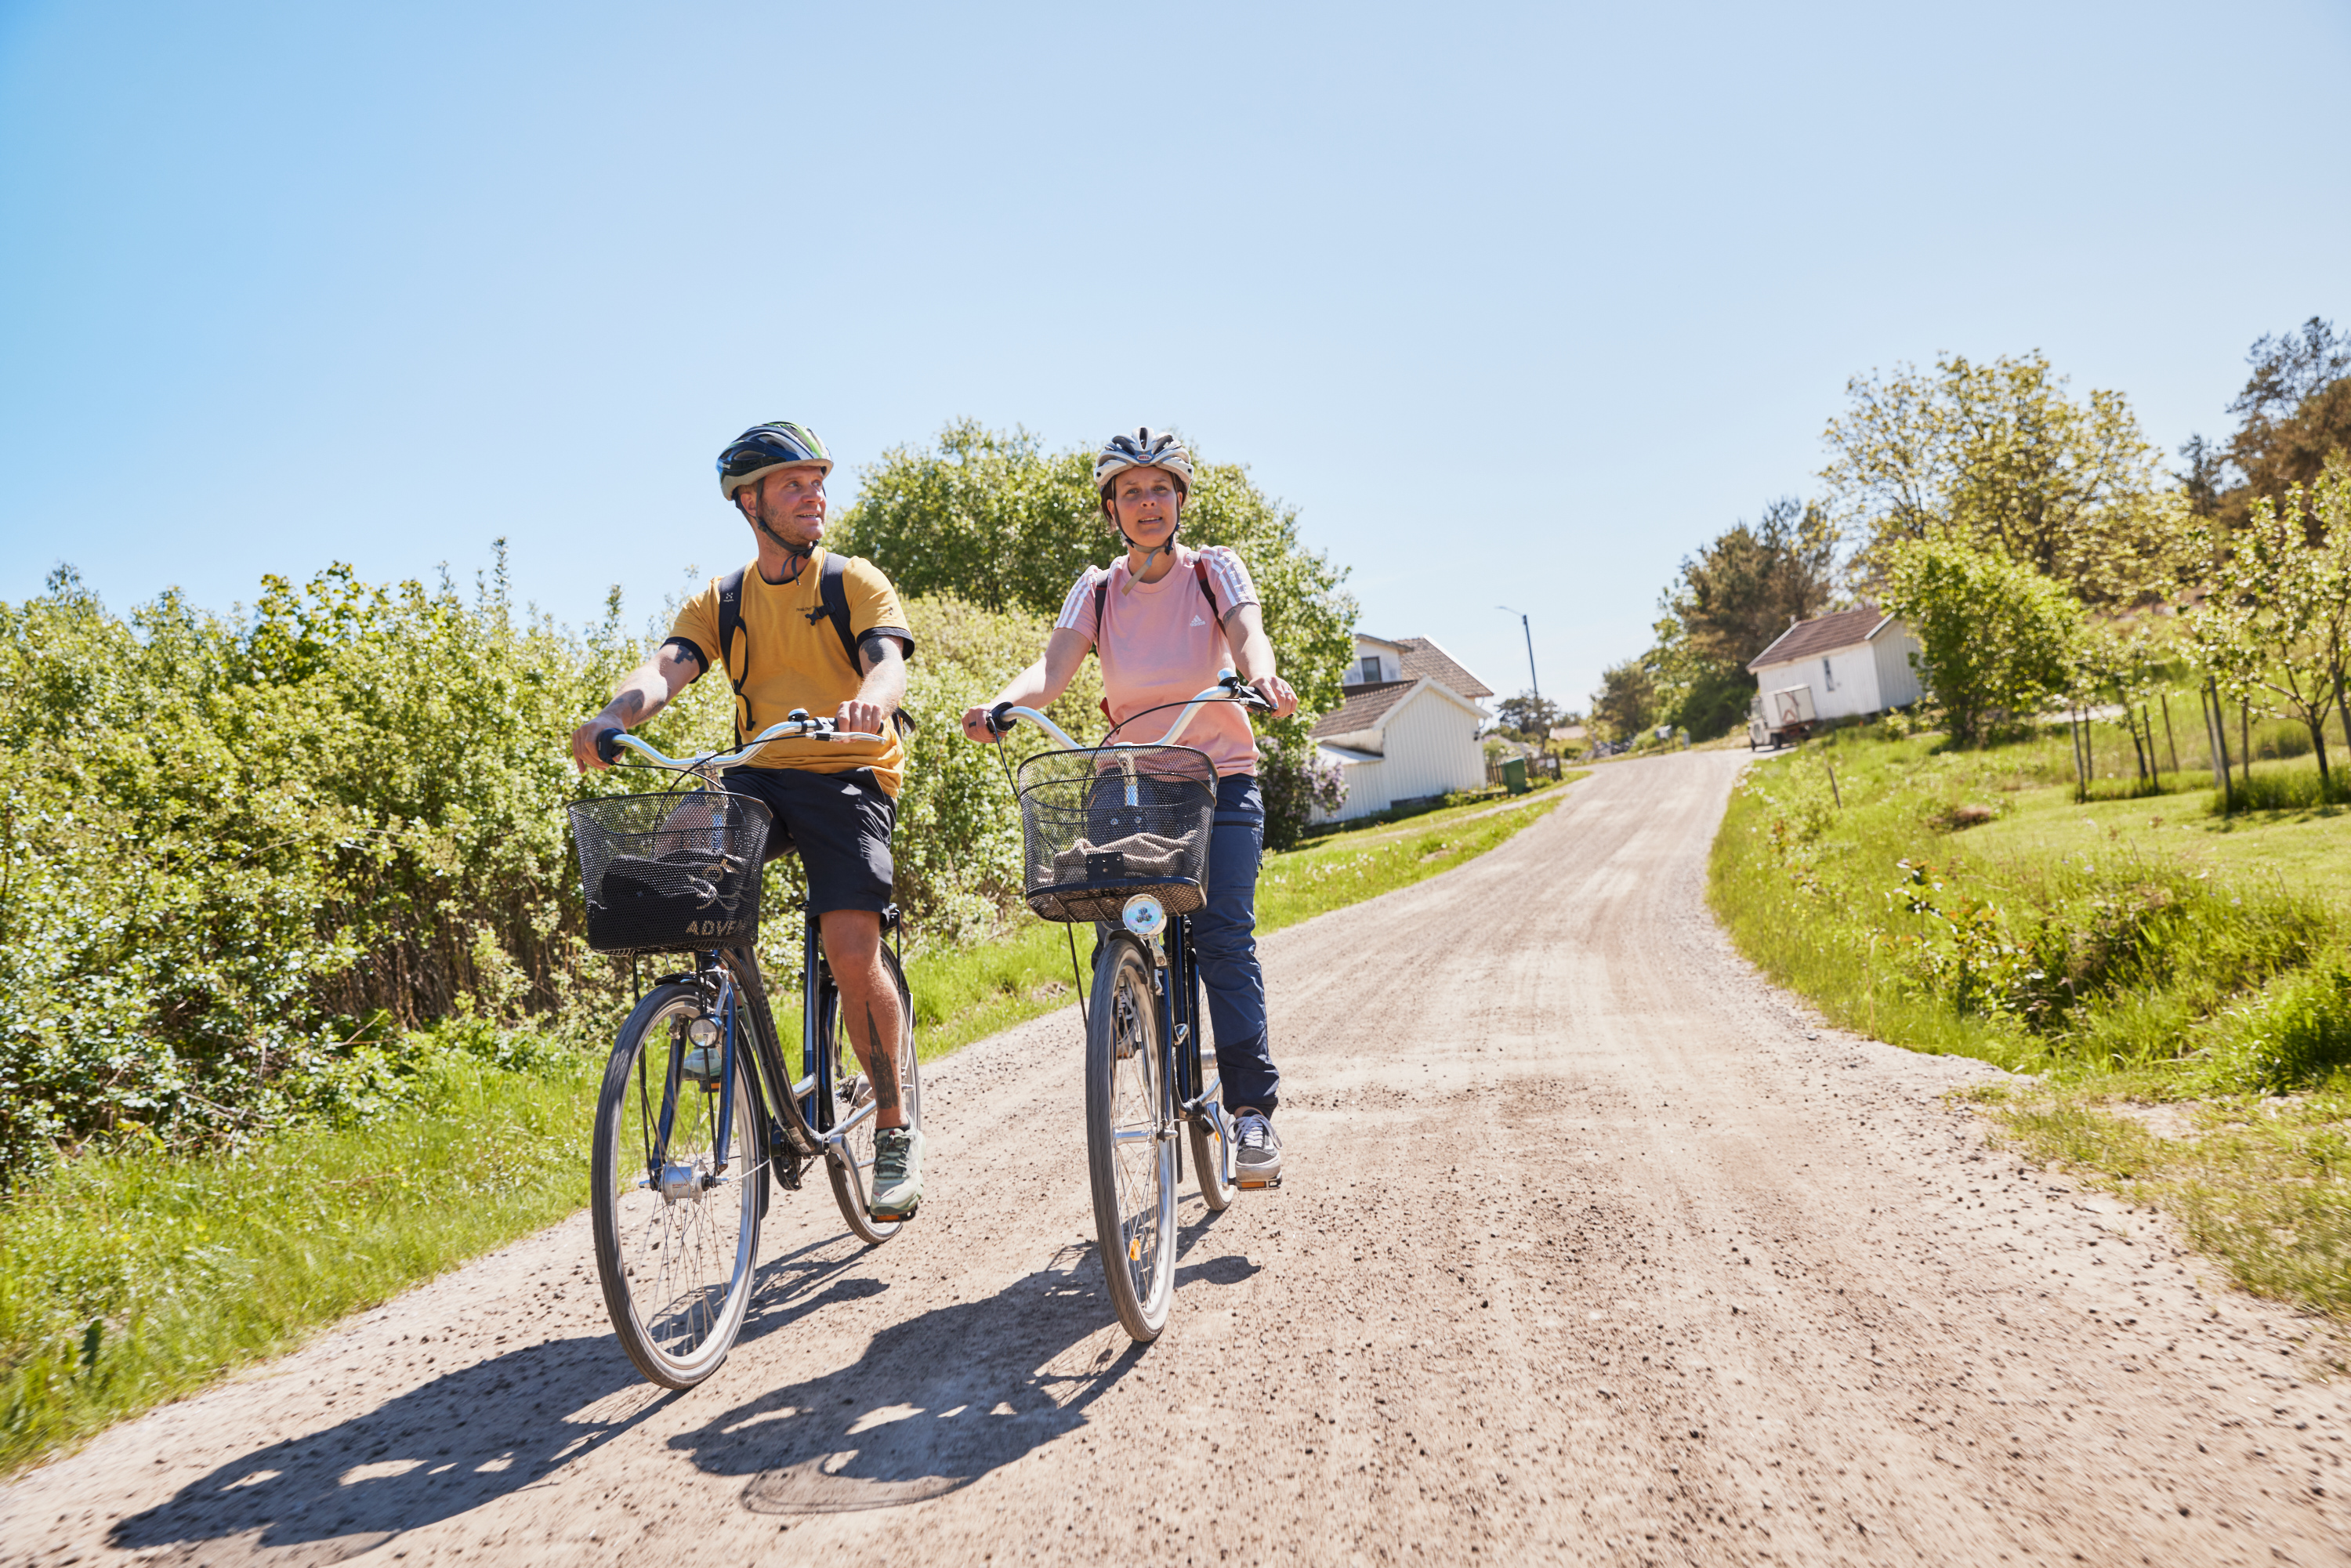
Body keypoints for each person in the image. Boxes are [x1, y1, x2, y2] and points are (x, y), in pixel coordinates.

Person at [570, 421, 926, 1219]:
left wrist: (874, 702)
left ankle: (896, 1129)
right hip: (764, 769)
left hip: (847, 772)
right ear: (748, 501)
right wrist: (612, 718)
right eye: (794, 484)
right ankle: (714, 1016)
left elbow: (889, 660)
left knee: (848, 949)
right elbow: (667, 669)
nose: (814, 496)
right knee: (681, 839)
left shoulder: (851, 580)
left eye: (817, 482)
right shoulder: (724, 600)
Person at [961, 428, 1299, 1185]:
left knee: (1220, 937)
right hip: (1132, 777)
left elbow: (1251, 640)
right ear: (1112, 508)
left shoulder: (1214, 571)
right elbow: (1049, 673)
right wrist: (1000, 703)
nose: (1148, 503)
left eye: (1160, 489)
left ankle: (1250, 1118)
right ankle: (1130, 992)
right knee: (1123, 911)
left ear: (1180, 500)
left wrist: (1263, 679)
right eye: (1131, 492)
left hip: (1217, 775)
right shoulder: (1100, 587)